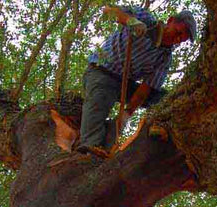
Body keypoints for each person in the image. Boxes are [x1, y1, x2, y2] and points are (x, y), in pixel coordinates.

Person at [78, 5, 197, 156]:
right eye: (178, 32)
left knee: (164, 99)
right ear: (171, 20)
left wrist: (127, 114)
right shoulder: (146, 19)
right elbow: (108, 10)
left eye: (182, 39)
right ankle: (89, 149)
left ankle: (155, 128)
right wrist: (131, 21)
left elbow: (145, 89)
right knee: (99, 105)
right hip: (102, 72)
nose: (177, 39)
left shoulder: (164, 58)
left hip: (124, 84)